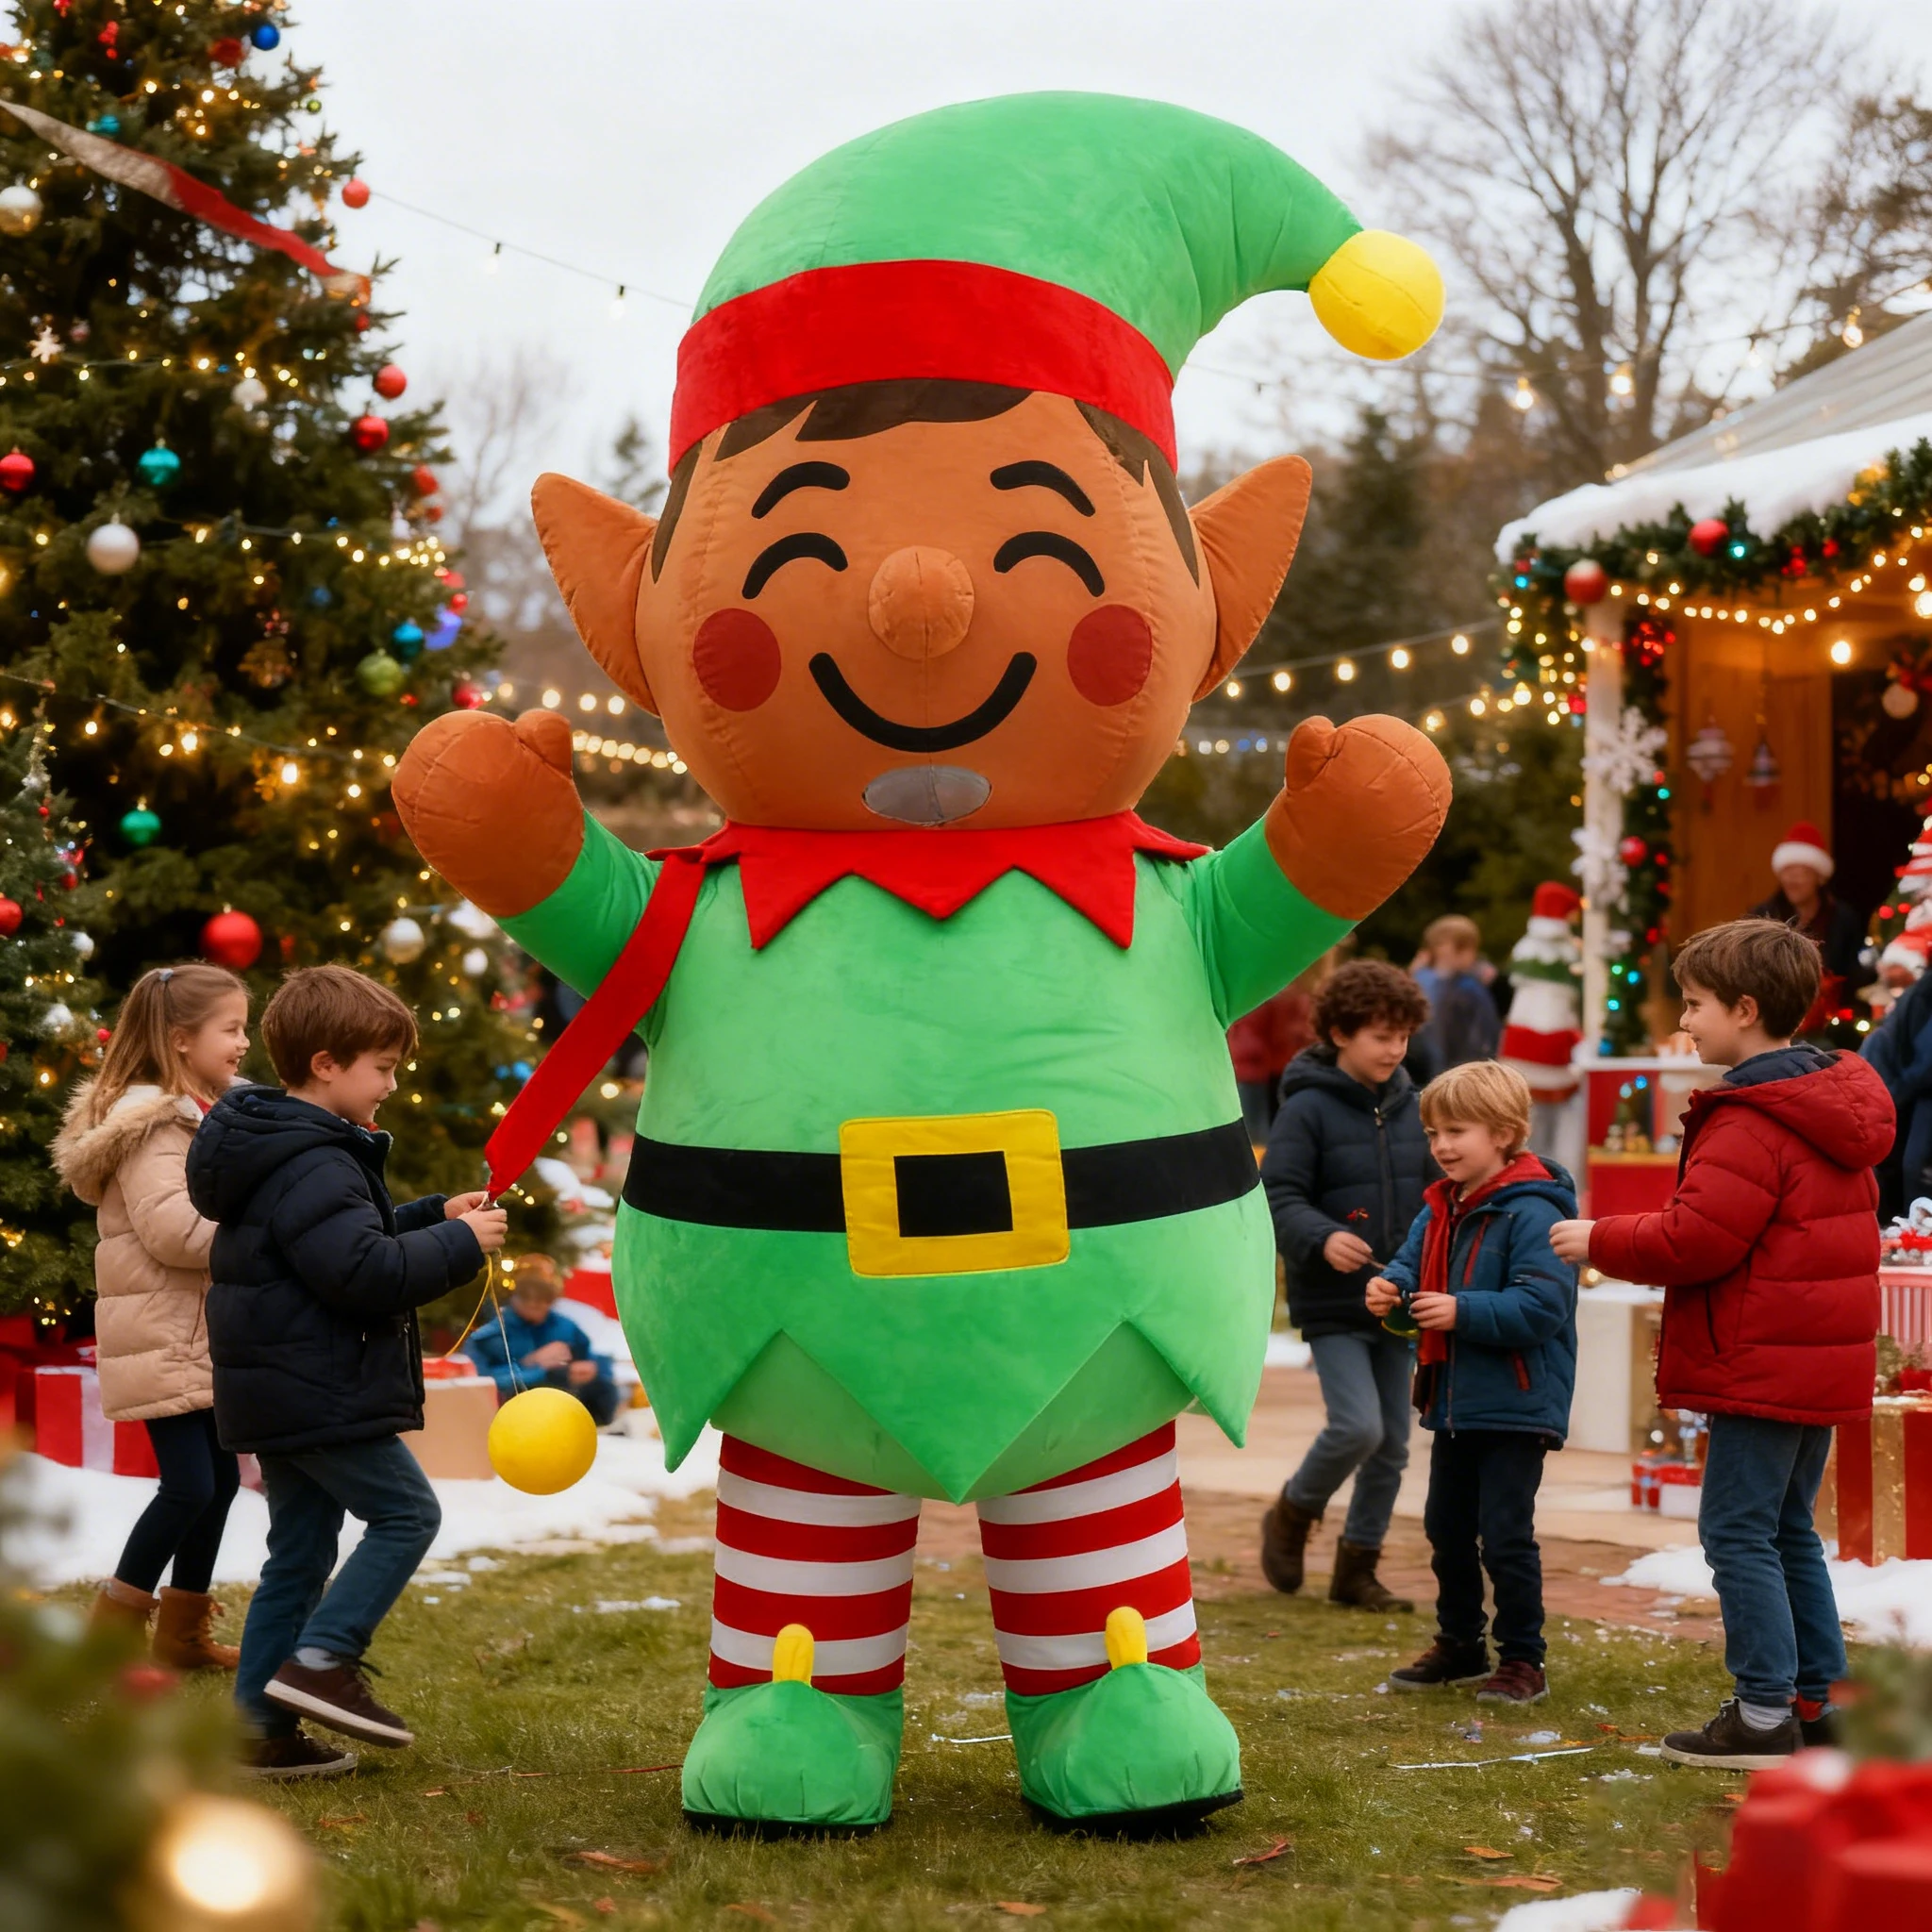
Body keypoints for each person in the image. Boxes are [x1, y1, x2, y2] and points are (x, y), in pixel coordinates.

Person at [1551, 919, 1891, 1767]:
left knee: (1737, 1533)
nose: (1686, 1022)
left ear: (1745, 1010)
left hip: (1762, 1362)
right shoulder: (1829, 1103)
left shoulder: (1752, 1117)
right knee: (1784, 1532)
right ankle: (1821, 1699)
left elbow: (1694, 1240)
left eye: (1697, 1005)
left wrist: (1598, 1238)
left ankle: (1765, 1713)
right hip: (1812, 1359)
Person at [187, 966, 507, 1781]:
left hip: (281, 1386)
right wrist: (461, 1250)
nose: (393, 1086)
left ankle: (260, 1730)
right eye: (384, 1068)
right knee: (406, 1514)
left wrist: (434, 1219)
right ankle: (326, 1660)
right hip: (315, 1387)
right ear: (327, 1063)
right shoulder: (316, 1160)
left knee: (298, 1551)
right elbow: (359, 1274)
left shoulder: (288, 1149)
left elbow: (330, 1245)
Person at [52, 963, 251, 1669]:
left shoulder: (202, 1114)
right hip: (164, 1331)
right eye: (230, 1029)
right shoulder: (152, 1125)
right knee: (191, 1484)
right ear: (179, 1040)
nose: (243, 1042)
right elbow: (173, 1233)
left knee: (220, 1480)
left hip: (197, 1329)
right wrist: (256, 1235)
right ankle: (112, 1627)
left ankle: (181, 1635)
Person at [1369, 1060, 1577, 1706]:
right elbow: (1409, 1271)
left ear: (1505, 1133)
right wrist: (1390, 1291)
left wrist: (1461, 1310)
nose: (1442, 1146)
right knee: (1446, 1527)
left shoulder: (1533, 1211)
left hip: (1516, 1400)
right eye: (1434, 1133)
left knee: (1505, 1532)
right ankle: (1460, 1642)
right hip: (1453, 1398)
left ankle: (1523, 1659)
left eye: (1457, 1130)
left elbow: (1544, 1306)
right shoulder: (1440, 1208)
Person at [1258, 959, 1435, 1613]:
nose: (1394, 1049)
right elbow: (1277, 1194)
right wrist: (1322, 1236)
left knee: (1392, 1442)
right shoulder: (1306, 1109)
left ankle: (1357, 1570)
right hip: (1332, 1299)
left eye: (1403, 1036)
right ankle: (1293, 1512)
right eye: (1380, 1036)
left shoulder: (1418, 1108)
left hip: (1398, 1298)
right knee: (1358, 1427)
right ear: (1340, 1033)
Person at [465, 1256, 620, 1425]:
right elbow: (479, 1382)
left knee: (604, 1390)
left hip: (564, 1412)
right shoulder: (491, 1333)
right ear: (512, 1294)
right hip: (512, 1417)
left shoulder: (565, 1326)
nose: (534, 1303)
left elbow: (595, 1361)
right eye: (526, 1296)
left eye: (543, 1297)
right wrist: (533, 1365)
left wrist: (590, 1370)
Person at [1748, 822, 1863, 1026]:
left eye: (1801, 873)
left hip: (1831, 1022)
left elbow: (1853, 973)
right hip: (1773, 1019)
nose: (1792, 880)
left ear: (1819, 877)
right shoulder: (1762, 916)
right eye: (1787, 872)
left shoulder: (1843, 919)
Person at [1228, 969, 1320, 1142]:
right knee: (1258, 1129)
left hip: (1260, 1067)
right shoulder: (1283, 996)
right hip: (1262, 1067)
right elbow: (1279, 1035)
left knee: (1257, 1127)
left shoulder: (1260, 996)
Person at [1411, 914, 1501, 1075]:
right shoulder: (1424, 980)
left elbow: (1483, 1034)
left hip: (1459, 1069)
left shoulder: (1469, 987)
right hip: (1433, 1067)